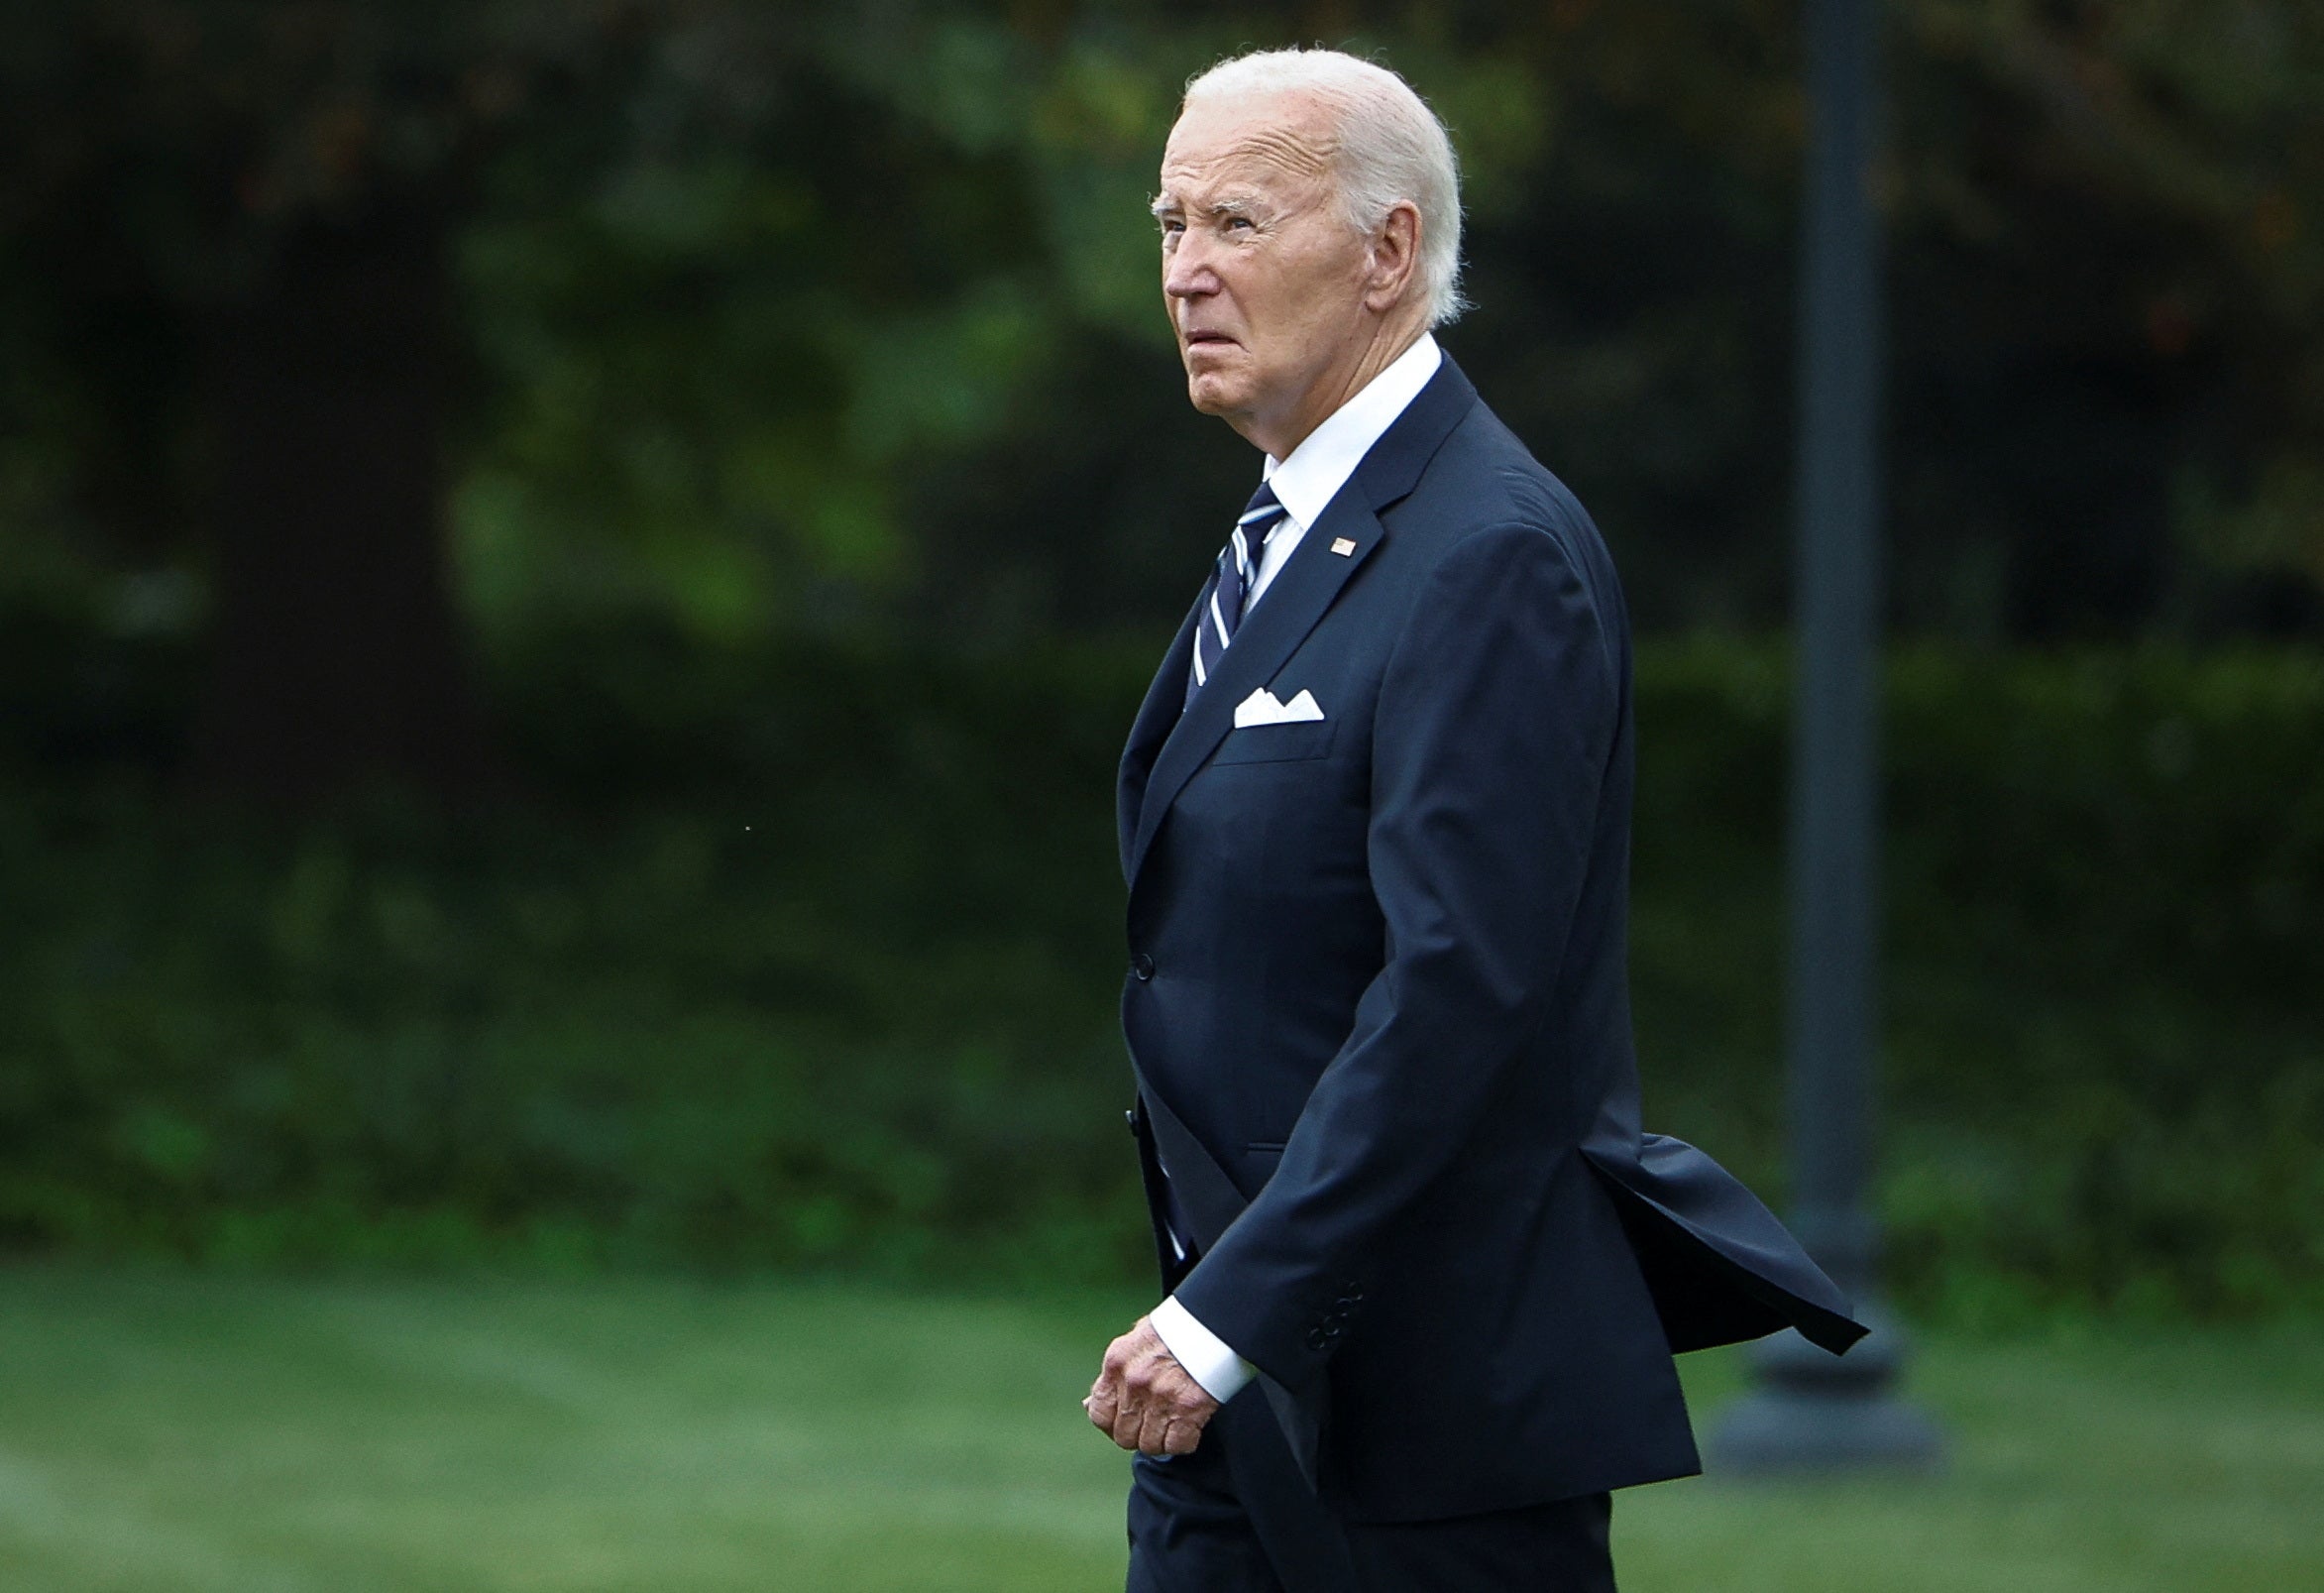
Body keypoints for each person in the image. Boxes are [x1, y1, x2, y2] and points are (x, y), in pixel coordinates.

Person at [1084, 47, 1865, 1593]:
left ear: (1386, 253)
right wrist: (1224, 1320)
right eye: (1169, 225)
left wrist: (1231, 1315)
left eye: (1235, 224)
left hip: (1430, 1429)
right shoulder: (1289, 528)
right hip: (1247, 1396)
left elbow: (1461, 993)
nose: (1184, 272)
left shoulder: (1487, 549)